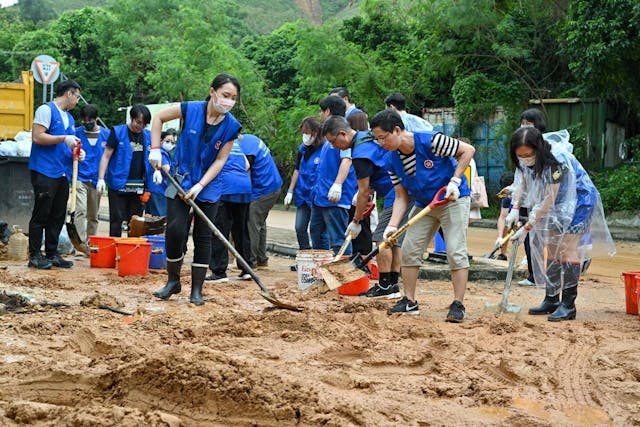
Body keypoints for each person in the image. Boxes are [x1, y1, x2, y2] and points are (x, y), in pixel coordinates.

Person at [370, 109, 475, 322]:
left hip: (452, 199)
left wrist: (455, 181)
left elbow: (468, 150)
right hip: (424, 203)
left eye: (383, 138)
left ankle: (458, 304)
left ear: (397, 130)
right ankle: (409, 301)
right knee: (409, 249)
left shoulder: (431, 141)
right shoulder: (392, 161)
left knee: (455, 251)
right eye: (377, 140)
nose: (381, 143)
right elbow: (401, 196)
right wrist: (392, 225)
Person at [150, 73, 241, 306]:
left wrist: (201, 185)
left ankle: (197, 289)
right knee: (175, 230)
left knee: (203, 236)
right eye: (225, 95)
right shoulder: (190, 109)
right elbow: (159, 118)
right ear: (213, 92)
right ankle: (173, 281)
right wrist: (155, 149)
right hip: (180, 178)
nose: (228, 101)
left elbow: (221, 160)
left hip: (209, 185)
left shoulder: (232, 126)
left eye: (233, 98)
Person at [506, 126, 615, 321]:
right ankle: (552, 298)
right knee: (553, 247)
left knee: (567, 249)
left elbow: (549, 198)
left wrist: (527, 227)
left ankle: (568, 305)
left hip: (578, 202)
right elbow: (521, 181)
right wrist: (515, 207)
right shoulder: (523, 160)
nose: (525, 159)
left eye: (528, 155)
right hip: (557, 204)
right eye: (520, 155)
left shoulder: (555, 161)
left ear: (538, 149)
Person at [28, 79, 82, 269]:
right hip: (45, 170)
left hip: (62, 173)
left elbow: (66, 145)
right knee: (41, 213)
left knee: (57, 214)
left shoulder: (70, 118)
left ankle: (52, 253)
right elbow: (38, 136)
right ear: (69, 93)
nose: (77, 100)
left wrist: (76, 152)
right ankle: (34, 255)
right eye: (77, 96)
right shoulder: (46, 110)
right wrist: (63, 138)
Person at [311, 96, 357, 255]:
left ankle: (343, 275)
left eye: (321, 111)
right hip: (321, 195)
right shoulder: (329, 133)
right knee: (317, 233)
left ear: (328, 111)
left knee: (338, 238)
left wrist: (337, 185)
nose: (319, 114)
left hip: (334, 197)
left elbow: (347, 160)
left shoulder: (342, 133)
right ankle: (321, 269)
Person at [97, 104, 152, 237]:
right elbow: (106, 156)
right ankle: (114, 252)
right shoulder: (117, 132)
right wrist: (100, 178)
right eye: (139, 122)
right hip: (118, 184)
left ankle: (131, 253)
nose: (141, 126)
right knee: (116, 221)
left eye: (144, 124)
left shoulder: (148, 135)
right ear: (131, 118)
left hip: (138, 185)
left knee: (135, 223)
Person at [206, 140, 252, 283]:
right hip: (244, 187)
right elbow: (247, 165)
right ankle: (246, 269)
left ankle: (219, 271)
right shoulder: (236, 143)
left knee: (220, 229)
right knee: (241, 230)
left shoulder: (214, 143)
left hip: (225, 187)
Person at [240, 133, 283, 268]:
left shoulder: (245, 149)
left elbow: (246, 173)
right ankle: (261, 259)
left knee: (251, 223)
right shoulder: (250, 139)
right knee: (260, 223)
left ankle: (249, 262)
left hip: (264, 189)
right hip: (273, 186)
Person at [283, 116, 327, 250]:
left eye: (307, 133)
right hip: (302, 194)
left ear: (316, 132)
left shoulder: (325, 148)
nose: (305, 136)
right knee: (300, 227)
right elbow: (297, 170)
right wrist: (290, 191)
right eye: (303, 133)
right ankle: (305, 254)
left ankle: (321, 257)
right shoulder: (303, 149)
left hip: (316, 196)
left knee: (318, 231)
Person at [72, 104, 109, 243]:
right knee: (80, 210)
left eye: (90, 120)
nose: (87, 123)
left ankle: (90, 242)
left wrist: (104, 178)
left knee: (93, 214)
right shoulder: (76, 133)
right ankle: (79, 242)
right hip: (80, 176)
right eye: (84, 121)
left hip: (97, 179)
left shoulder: (106, 135)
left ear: (96, 119)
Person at [146, 128, 177, 217]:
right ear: (160, 141)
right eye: (168, 141)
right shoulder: (161, 153)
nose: (170, 144)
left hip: (157, 189)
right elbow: (166, 169)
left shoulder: (159, 153)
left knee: (151, 217)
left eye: (172, 142)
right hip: (159, 190)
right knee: (159, 218)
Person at [495, 171, 515, 261]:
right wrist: (499, 237)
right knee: (505, 227)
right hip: (513, 214)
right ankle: (503, 254)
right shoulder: (506, 198)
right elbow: (503, 217)